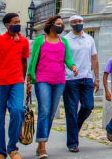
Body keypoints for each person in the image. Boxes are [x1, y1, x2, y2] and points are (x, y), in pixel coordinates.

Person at [27, 15, 78, 159]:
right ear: (51, 25)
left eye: (62, 24)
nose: (60, 26)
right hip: (42, 79)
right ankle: (42, 146)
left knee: (51, 114)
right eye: (58, 24)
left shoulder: (64, 42)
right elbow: (33, 60)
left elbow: (67, 58)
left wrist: (73, 66)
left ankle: (41, 142)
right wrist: (29, 80)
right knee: (44, 110)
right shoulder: (39, 40)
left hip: (59, 80)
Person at [0, 13, 29, 159]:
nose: (18, 24)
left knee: (17, 111)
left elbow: (24, 62)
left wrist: (23, 81)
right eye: (15, 22)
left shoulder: (23, 41)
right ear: (7, 25)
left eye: (19, 21)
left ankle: (12, 147)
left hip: (16, 81)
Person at [63, 15, 99, 153]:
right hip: (70, 79)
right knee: (71, 110)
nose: (78, 24)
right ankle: (72, 142)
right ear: (70, 24)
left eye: (80, 22)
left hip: (87, 78)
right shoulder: (66, 40)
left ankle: (75, 127)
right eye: (75, 22)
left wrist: (96, 78)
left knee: (88, 106)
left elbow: (94, 58)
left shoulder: (89, 39)